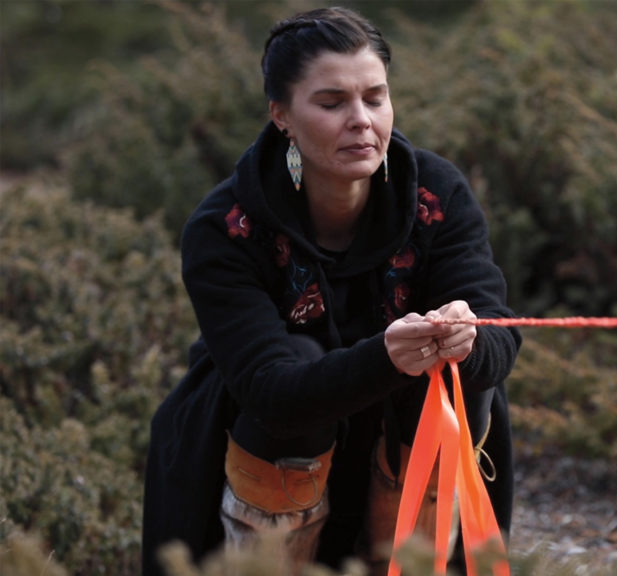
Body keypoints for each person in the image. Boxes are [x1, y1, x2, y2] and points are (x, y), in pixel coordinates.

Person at [142, 7, 521, 575]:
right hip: (265, 436)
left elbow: (500, 338)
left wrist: (470, 339)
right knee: (297, 360)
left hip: (406, 428)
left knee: (458, 380)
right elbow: (271, 389)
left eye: (375, 97)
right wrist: (386, 357)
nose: (362, 121)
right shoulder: (224, 226)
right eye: (331, 103)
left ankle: (417, 563)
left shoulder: (438, 194)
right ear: (281, 116)